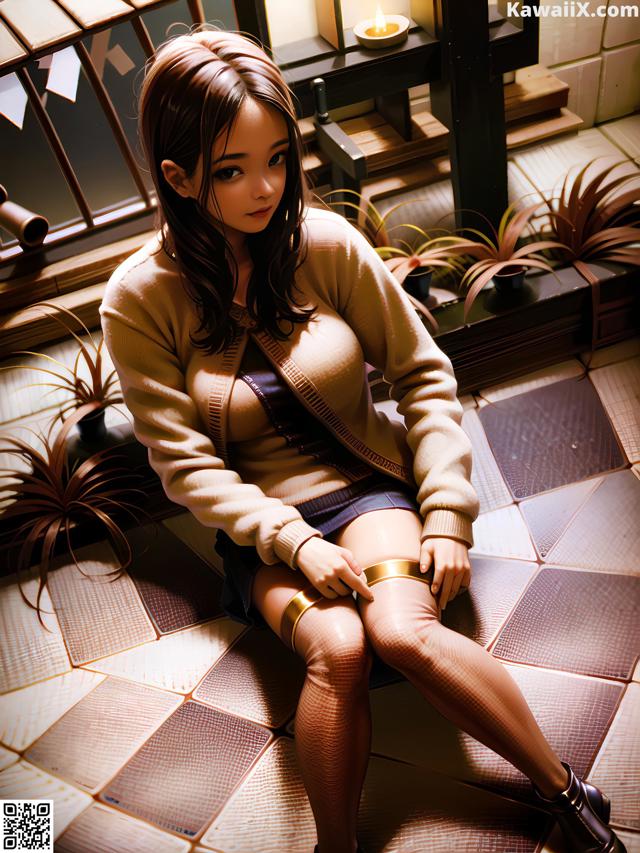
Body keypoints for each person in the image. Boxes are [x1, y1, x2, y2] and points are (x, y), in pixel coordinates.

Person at [100, 28, 626, 853]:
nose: (266, 187)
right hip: (263, 532)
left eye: (278, 158)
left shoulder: (326, 244)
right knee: (338, 647)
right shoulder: (138, 299)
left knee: (401, 632)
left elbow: (422, 372)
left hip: (369, 490)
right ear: (179, 176)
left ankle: (566, 791)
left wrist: (445, 510)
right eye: (232, 170)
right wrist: (294, 542)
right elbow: (182, 464)